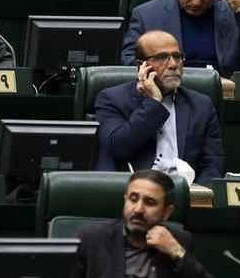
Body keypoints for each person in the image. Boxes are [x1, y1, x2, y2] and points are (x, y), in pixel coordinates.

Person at [96, 30, 224, 187]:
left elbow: (212, 164)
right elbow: (120, 148)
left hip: (184, 193)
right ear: (140, 65)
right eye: (162, 57)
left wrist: (198, 194)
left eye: (177, 56)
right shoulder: (112, 99)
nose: (173, 64)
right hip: (132, 193)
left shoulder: (201, 105)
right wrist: (154, 103)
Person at [72, 170, 213, 278]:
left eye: (149, 202)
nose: (138, 209)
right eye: (133, 199)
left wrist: (176, 251)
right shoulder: (91, 237)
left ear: (166, 212)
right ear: (125, 201)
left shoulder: (178, 240)